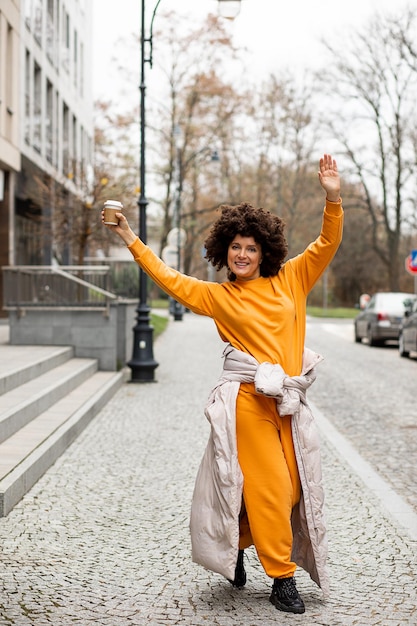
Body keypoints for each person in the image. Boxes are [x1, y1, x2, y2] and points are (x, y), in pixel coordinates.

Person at [102, 153, 343, 615]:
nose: (243, 254)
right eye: (235, 247)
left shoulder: (292, 279)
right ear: (224, 252)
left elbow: (327, 242)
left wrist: (332, 197)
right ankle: (281, 577)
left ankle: (236, 542)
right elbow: (168, 278)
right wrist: (130, 238)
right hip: (246, 401)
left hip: (286, 401)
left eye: (251, 248)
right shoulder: (219, 297)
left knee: (291, 488)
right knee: (272, 486)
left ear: (264, 251)